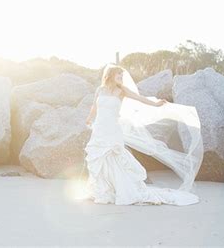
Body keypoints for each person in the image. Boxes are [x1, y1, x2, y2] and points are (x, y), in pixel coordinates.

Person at [81, 64, 203, 206]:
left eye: (121, 75)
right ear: (110, 75)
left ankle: (123, 190)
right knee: (100, 159)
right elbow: (95, 107)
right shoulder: (100, 90)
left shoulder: (122, 91)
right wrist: (89, 118)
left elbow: (139, 98)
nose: (120, 78)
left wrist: (156, 104)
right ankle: (103, 191)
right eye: (118, 75)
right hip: (100, 129)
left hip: (113, 130)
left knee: (116, 158)